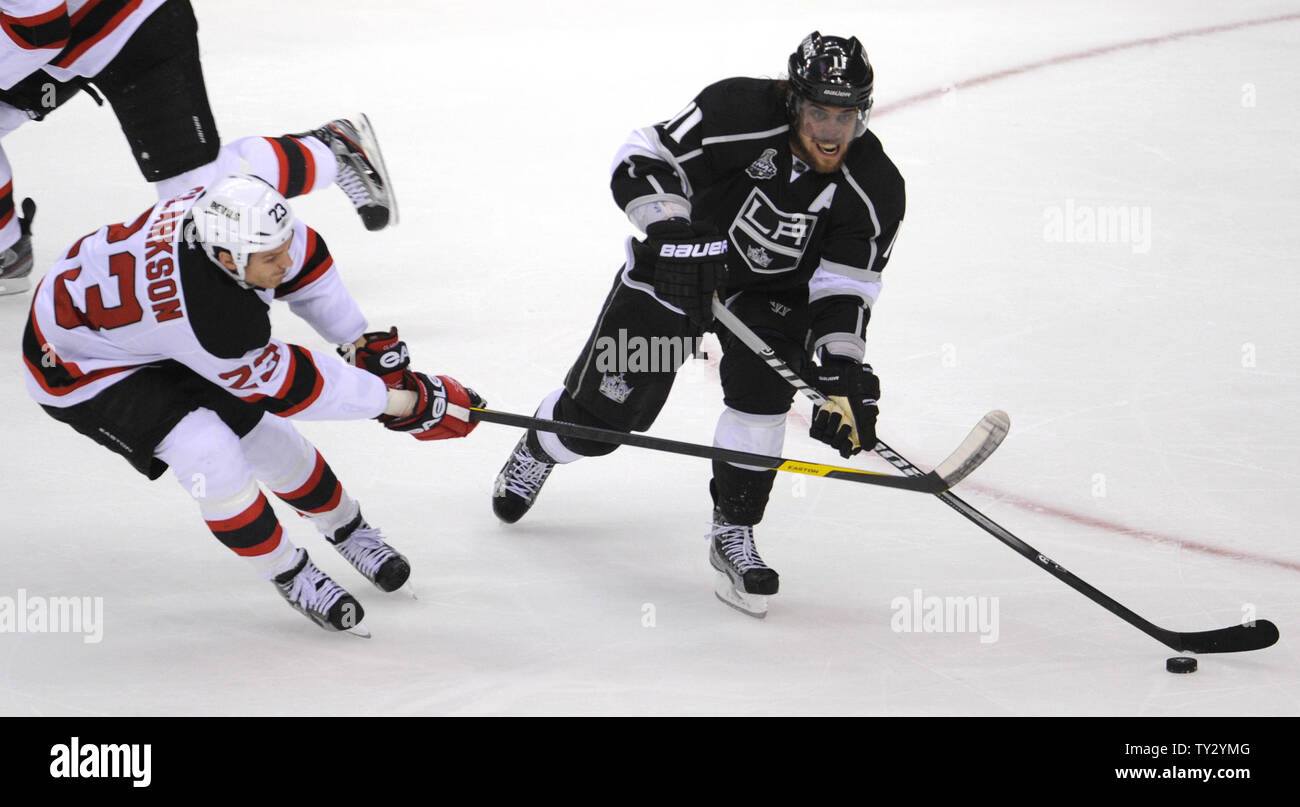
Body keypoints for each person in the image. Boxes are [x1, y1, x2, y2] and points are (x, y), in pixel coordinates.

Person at [491, 32, 905, 618]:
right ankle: (544, 440)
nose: (832, 130)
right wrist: (674, 233)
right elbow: (642, 156)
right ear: (793, 99)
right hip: (680, 274)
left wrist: (840, 369)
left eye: (846, 114)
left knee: (762, 403)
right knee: (602, 422)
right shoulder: (736, 111)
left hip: (773, 301)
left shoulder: (874, 187)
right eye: (819, 111)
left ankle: (732, 531)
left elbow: (846, 286)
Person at [23, 173, 478, 636]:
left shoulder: (237, 215)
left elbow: (305, 257)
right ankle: (289, 571)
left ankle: (347, 528)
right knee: (209, 451)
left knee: (266, 438)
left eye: (282, 245)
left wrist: (357, 340)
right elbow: (297, 386)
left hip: (140, 329)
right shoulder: (216, 321)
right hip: (79, 369)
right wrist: (399, 403)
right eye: (270, 257)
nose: (285, 259)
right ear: (225, 259)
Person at [0, 0, 395, 295]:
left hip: (137, 29)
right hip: (62, 38)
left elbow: (39, 34)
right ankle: (7, 248)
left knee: (197, 202)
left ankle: (329, 152)